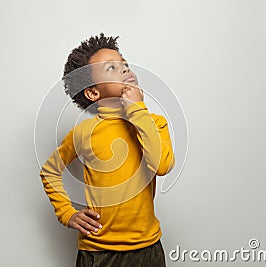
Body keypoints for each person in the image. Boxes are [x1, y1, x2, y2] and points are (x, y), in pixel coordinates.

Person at [39, 33, 175, 267]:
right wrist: (67, 213)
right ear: (93, 93)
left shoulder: (154, 123)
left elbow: (161, 166)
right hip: (98, 252)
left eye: (124, 64)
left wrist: (137, 111)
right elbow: (50, 171)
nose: (124, 69)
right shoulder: (84, 133)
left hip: (147, 248)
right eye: (111, 68)